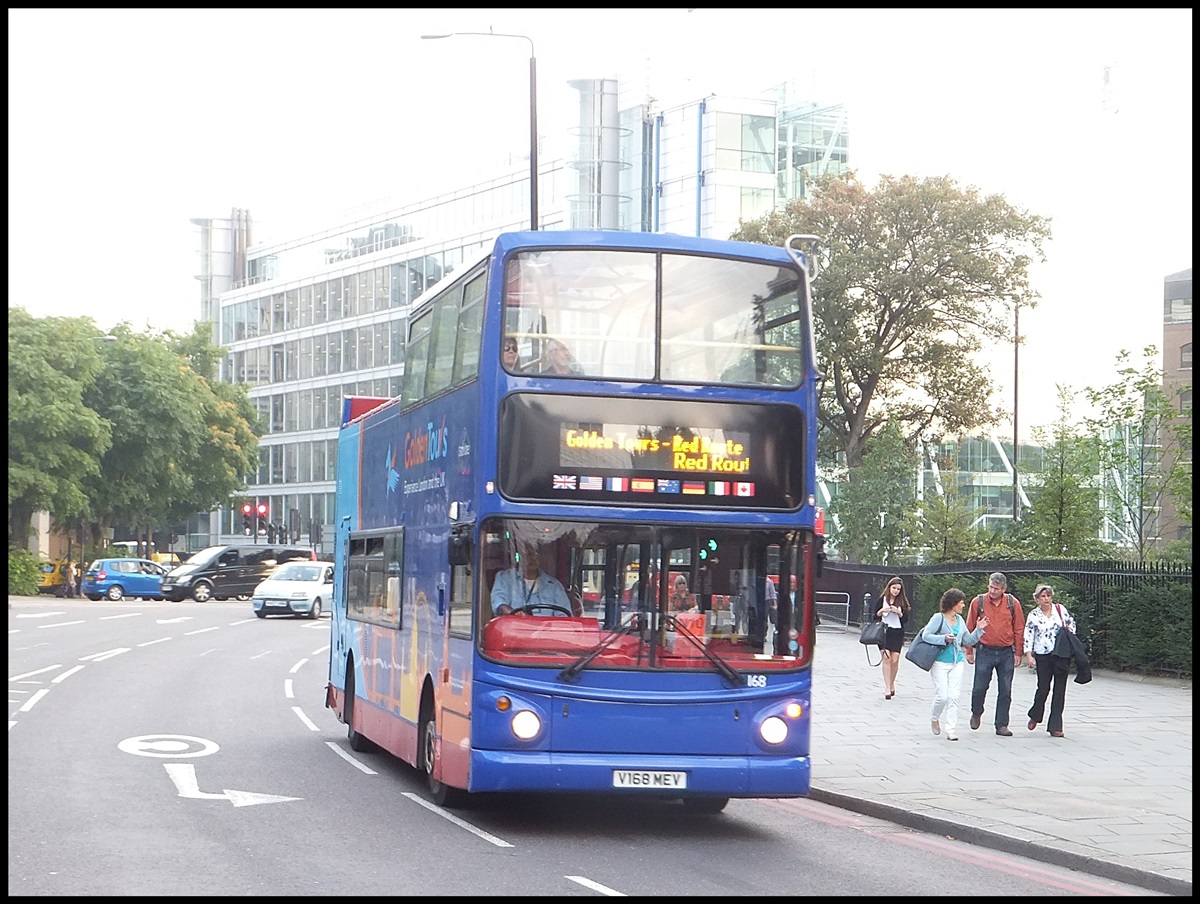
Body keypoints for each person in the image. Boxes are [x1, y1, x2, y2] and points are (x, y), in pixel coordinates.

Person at [919, 588, 988, 741]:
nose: (963, 606)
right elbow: (926, 635)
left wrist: (979, 630)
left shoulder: (960, 620)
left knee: (954, 696)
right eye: (961, 603)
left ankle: (951, 729)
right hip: (940, 662)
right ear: (953, 604)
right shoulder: (939, 618)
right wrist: (943, 638)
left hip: (957, 662)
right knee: (942, 695)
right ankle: (934, 717)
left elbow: (968, 640)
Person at [965, 571, 1026, 737]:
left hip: (1006, 651)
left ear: (1004, 589)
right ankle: (976, 712)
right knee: (979, 687)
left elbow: (1019, 628)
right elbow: (969, 626)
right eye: (991, 587)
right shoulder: (978, 602)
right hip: (985, 650)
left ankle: (1002, 724)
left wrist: (1018, 652)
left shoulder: (1013, 603)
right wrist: (969, 650)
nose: (992, 591)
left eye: (996, 589)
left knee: (1005, 690)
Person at [1024, 583, 1076, 738]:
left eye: (1048, 596)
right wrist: (1028, 655)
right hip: (1043, 655)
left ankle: (1056, 726)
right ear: (1037, 599)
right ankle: (1035, 714)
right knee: (1043, 688)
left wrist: (1069, 633)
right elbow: (1029, 634)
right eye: (1043, 596)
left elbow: (1071, 624)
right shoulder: (1034, 615)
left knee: (1059, 690)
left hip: (1060, 654)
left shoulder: (1060, 610)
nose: (1046, 599)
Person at [491, 542, 574, 616]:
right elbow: (500, 605)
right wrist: (514, 614)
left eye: (537, 554)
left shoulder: (554, 585)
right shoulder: (504, 578)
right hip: (515, 630)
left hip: (545, 632)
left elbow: (564, 616)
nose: (533, 558)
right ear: (520, 555)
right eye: (529, 554)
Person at [875, 576, 912, 700]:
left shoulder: (902, 602)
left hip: (897, 633)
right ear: (889, 587)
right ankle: (887, 687)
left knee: (895, 660)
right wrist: (881, 611)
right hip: (884, 631)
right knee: (886, 658)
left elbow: (906, 619)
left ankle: (892, 683)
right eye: (894, 588)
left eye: (898, 589)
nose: (895, 591)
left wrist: (899, 612)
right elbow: (874, 616)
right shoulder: (882, 600)